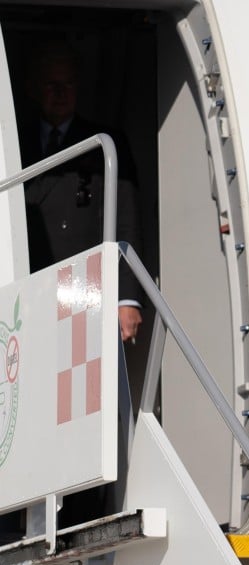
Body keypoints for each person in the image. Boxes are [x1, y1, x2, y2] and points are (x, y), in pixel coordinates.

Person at [18, 38, 145, 342]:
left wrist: (127, 298)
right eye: (51, 84)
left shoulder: (105, 142)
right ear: (34, 88)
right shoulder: (14, 145)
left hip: (85, 288)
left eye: (69, 83)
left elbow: (126, 221)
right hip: (24, 286)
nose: (61, 93)